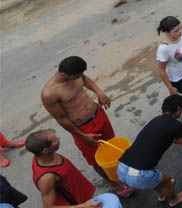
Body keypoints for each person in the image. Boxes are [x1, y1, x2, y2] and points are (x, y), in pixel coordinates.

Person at [41, 56, 134, 197]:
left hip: (99, 115)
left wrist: (99, 92)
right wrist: (83, 136)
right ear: (65, 74)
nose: (80, 77)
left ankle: (119, 172)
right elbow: (62, 119)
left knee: (111, 147)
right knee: (97, 158)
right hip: (83, 128)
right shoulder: (50, 93)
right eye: (77, 75)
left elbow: (85, 80)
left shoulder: (77, 75)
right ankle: (115, 185)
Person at [117, 95, 182, 208]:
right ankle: (174, 199)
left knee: (156, 178)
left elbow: (169, 138)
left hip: (122, 168)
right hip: (139, 175)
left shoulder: (156, 120)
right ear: (179, 108)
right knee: (169, 181)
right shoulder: (176, 125)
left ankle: (162, 195)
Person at [26, 129, 102, 208]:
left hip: (82, 198)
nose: (59, 138)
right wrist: (83, 206)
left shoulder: (43, 155)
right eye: (55, 140)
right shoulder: (47, 178)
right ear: (45, 150)